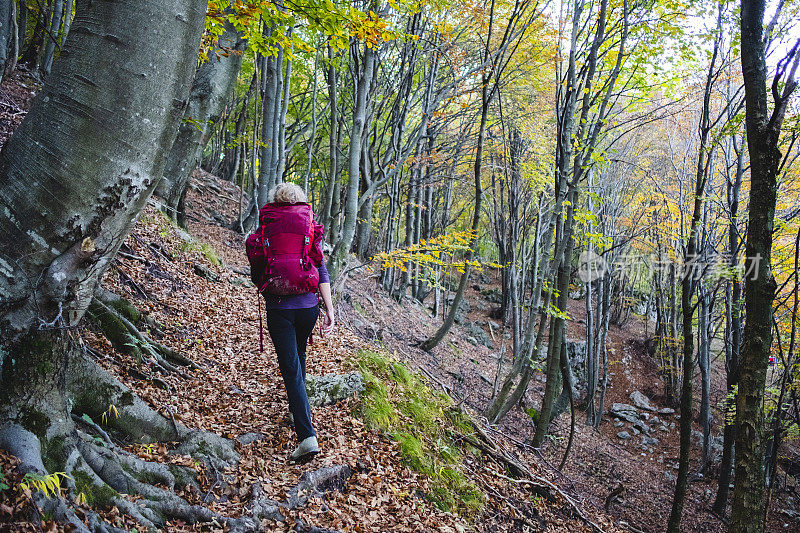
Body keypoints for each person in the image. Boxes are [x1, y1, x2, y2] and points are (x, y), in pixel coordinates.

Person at [258, 183, 335, 462]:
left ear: (275, 201)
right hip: (308, 307)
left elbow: (258, 263)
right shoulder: (309, 226)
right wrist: (329, 309)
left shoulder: (268, 225)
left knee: (290, 368)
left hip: (279, 307)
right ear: (301, 202)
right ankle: (296, 407)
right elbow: (321, 268)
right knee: (298, 354)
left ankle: (307, 437)